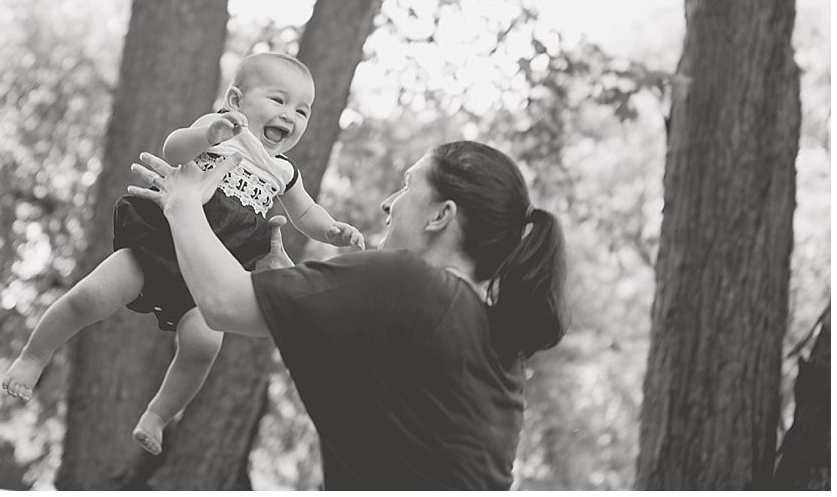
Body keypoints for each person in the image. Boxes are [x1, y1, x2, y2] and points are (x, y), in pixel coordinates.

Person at [125, 140, 567, 490]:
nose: (389, 203)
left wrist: (182, 203)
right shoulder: (483, 332)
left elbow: (223, 303)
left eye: (409, 185)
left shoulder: (408, 281)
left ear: (441, 215)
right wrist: (292, 294)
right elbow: (376, 416)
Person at [1, 52, 364, 456]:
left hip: (212, 272)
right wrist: (209, 137)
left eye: (302, 110)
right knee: (91, 296)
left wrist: (331, 229)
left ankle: (157, 415)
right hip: (162, 242)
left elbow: (306, 212)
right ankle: (34, 356)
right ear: (236, 100)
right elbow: (173, 148)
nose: (291, 116)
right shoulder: (221, 128)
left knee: (204, 347)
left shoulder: (284, 172)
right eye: (279, 101)